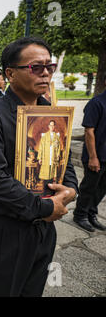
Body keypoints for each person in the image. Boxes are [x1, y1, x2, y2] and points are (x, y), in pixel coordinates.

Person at [0, 37, 78, 297]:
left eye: (49, 66)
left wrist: (70, 191)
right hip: (4, 229)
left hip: (43, 227)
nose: (45, 73)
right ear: (10, 74)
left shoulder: (49, 112)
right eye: (35, 67)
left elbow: (64, 164)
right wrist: (44, 207)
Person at [73, 74, 106, 232]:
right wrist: (93, 157)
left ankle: (91, 213)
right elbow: (89, 131)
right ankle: (80, 215)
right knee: (89, 187)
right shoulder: (96, 103)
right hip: (96, 155)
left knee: (101, 189)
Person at [38, 120, 61, 194]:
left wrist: (57, 155)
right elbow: (41, 147)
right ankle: (44, 191)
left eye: (53, 125)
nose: (52, 127)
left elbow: (58, 147)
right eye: (50, 125)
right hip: (46, 157)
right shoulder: (44, 136)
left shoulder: (56, 136)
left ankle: (51, 191)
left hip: (53, 157)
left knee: (52, 173)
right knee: (46, 174)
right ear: (48, 126)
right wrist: (40, 158)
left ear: (54, 126)